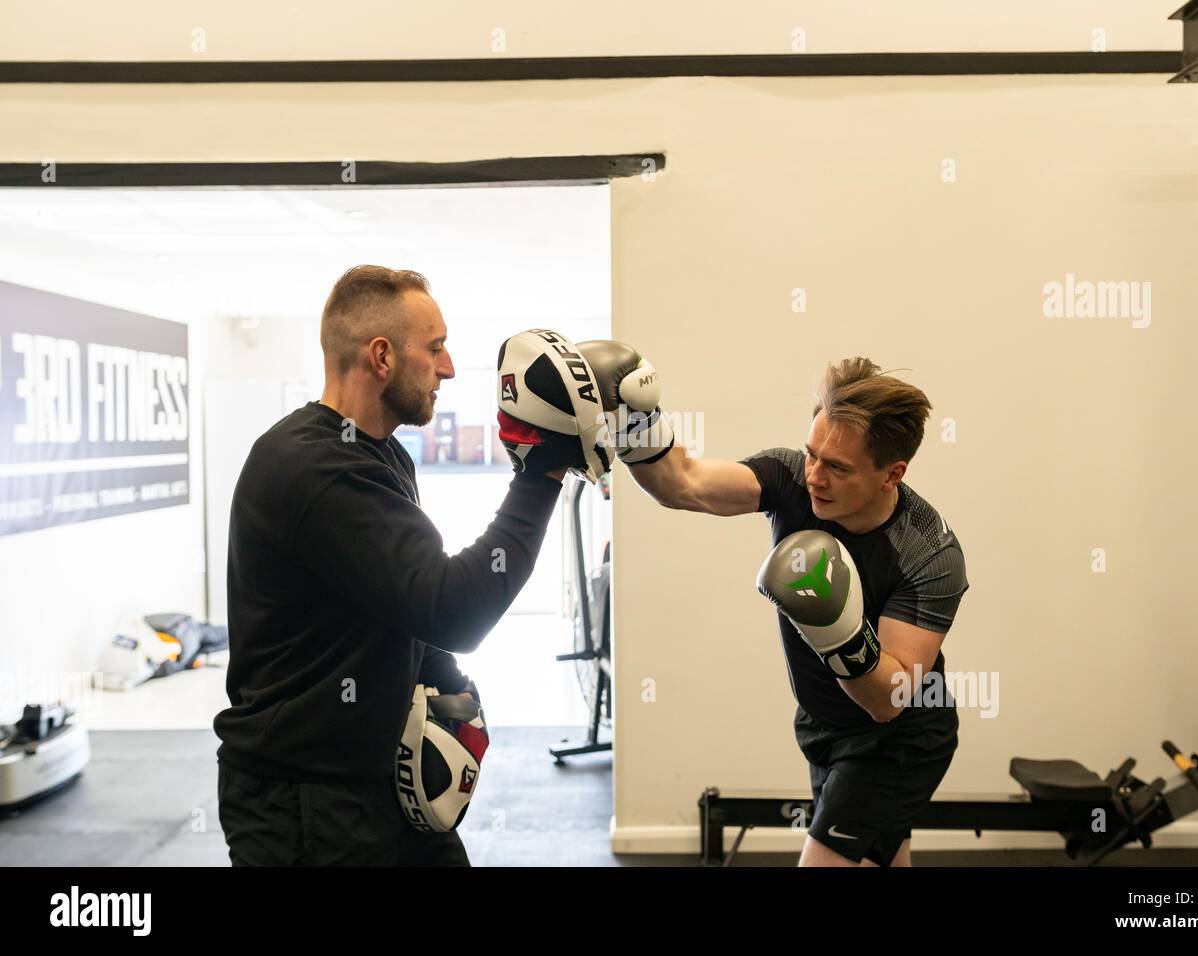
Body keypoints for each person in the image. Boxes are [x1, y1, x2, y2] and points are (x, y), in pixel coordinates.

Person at [213, 265, 586, 865]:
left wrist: (451, 693)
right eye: (434, 348)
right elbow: (450, 607)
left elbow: (400, 605)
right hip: (304, 808)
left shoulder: (379, 455)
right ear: (381, 356)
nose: (449, 368)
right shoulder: (314, 467)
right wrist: (539, 474)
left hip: (376, 786)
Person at [584, 344, 969, 867]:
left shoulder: (930, 554)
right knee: (884, 858)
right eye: (812, 454)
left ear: (891, 475)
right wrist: (635, 416)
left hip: (898, 742)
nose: (815, 475)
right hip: (822, 724)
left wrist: (838, 628)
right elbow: (683, 484)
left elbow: (889, 700)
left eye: (837, 467)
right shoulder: (789, 479)